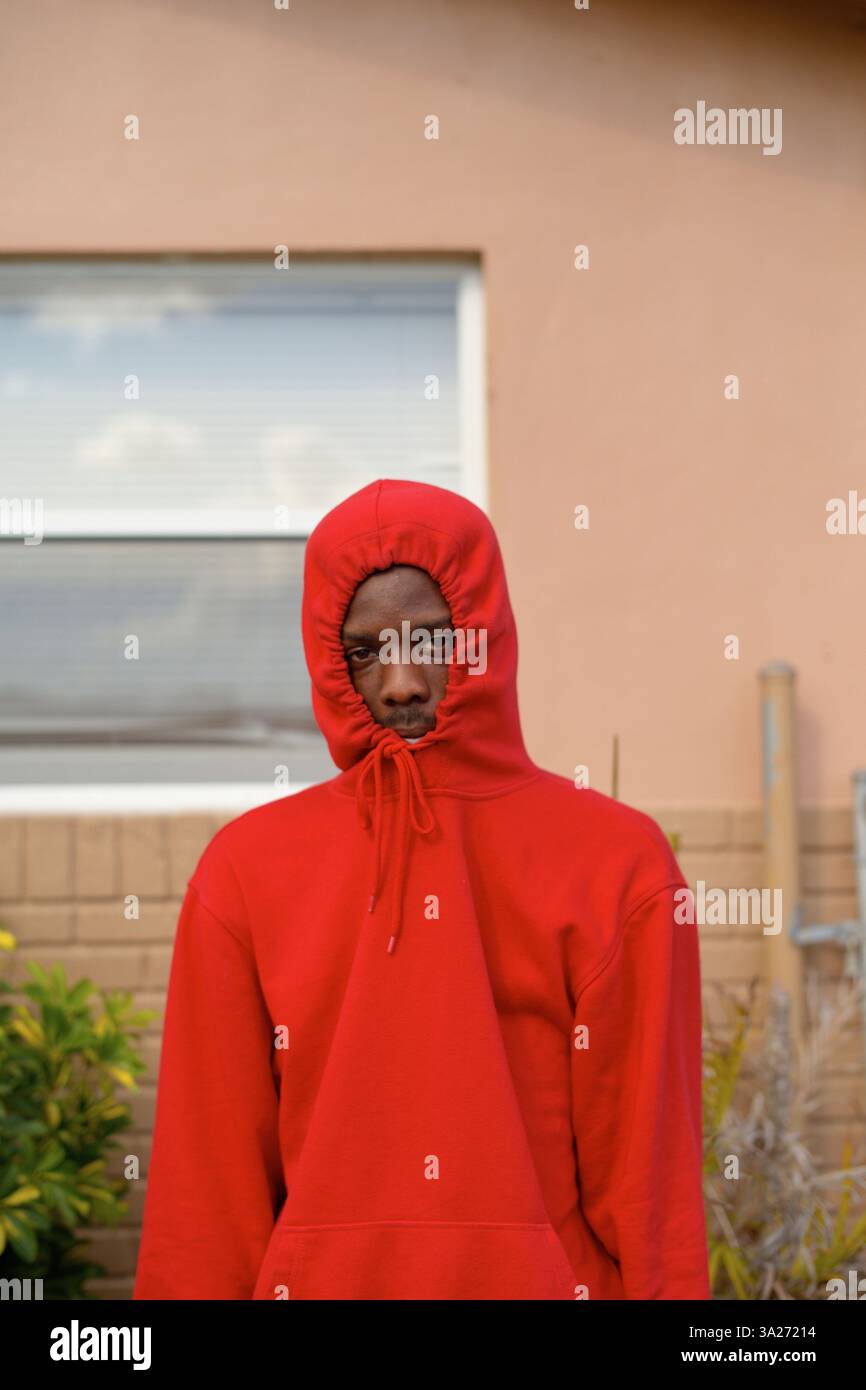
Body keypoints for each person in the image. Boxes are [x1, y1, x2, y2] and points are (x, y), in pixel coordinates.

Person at [132, 477, 709, 1300]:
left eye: (430, 643)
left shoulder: (617, 863)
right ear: (330, 658)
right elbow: (206, 1201)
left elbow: (650, 1192)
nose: (400, 682)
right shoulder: (244, 872)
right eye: (365, 650)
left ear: (482, 638)